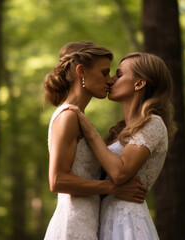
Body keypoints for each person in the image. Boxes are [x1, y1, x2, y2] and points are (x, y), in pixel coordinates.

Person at [66, 52, 177, 239]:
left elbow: (120, 173)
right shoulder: (120, 131)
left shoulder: (154, 124)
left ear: (139, 83)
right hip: (103, 220)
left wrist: (88, 128)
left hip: (128, 223)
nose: (111, 80)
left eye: (118, 74)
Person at [43, 42, 148, 240]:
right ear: (81, 71)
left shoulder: (79, 118)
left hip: (88, 223)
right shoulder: (67, 117)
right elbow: (57, 180)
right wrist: (113, 188)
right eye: (105, 73)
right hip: (72, 226)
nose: (110, 81)